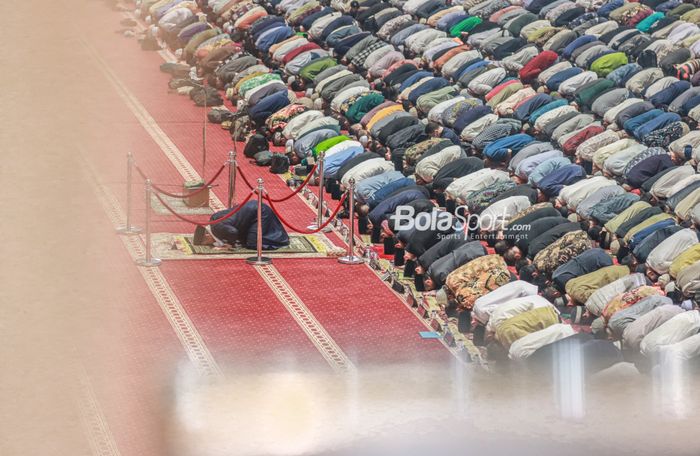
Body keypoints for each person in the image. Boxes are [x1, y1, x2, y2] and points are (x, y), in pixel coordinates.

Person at [193, 201, 290, 250]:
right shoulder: (213, 220)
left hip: (259, 213)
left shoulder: (217, 227)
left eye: (206, 242)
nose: (209, 243)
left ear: (207, 235)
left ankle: (279, 241)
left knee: (252, 244)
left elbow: (232, 232)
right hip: (252, 211)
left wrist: (231, 244)